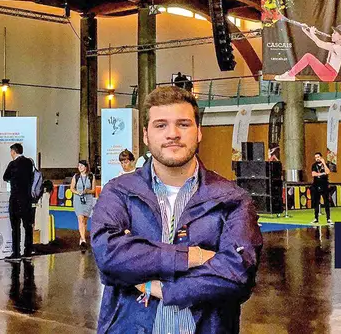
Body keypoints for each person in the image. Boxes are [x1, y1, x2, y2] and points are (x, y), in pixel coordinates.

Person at [91, 86, 263, 334]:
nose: (172, 134)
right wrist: (191, 257)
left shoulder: (232, 199)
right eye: (161, 125)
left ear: (199, 132)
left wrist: (165, 288)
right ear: (146, 135)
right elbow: (108, 256)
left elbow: (237, 274)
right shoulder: (119, 192)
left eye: (183, 124)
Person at [275, 25, 341, 82]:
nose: (332, 34)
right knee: (308, 57)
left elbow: (319, 44)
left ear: (340, 38)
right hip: (327, 72)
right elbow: (315, 40)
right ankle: (290, 74)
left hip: (329, 74)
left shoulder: (339, 49)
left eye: (334, 33)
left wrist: (313, 33)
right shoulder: (333, 45)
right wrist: (305, 31)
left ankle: (290, 75)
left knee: (308, 57)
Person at [3, 143, 35, 260]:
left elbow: (5, 177)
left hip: (15, 199)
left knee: (15, 227)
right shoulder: (29, 163)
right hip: (27, 199)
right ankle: (28, 252)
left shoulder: (13, 164)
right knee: (27, 226)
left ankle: (16, 252)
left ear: (13, 152)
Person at [71, 160, 96, 249]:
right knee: (80, 218)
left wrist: (87, 191)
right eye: (79, 166)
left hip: (88, 199)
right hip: (78, 199)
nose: (80, 167)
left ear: (86, 167)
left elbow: (93, 190)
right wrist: (78, 192)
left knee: (85, 220)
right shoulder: (76, 176)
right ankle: (83, 239)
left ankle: (82, 237)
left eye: (81, 166)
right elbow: (72, 188)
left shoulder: (91, 176)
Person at [311, 152, 332, 225]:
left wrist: (324, 163)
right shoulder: (314, 165)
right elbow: (313, 174)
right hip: (316, 185)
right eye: (316, 157)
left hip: (324, 185)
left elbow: (328, 172)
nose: (317, 158)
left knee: (326, 202)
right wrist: (322, 174)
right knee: (316, 202)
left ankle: (328, 218)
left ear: (321, 157)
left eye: (318, 157)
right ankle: (316, 218)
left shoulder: (326, 165)